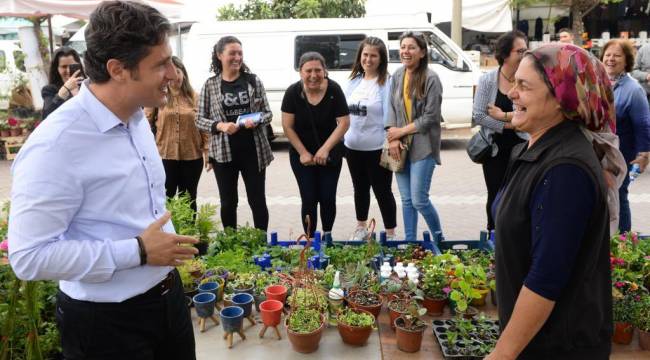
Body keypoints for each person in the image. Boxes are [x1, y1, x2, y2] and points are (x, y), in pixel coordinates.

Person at [8, 2, 198, 359]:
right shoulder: (56, 145)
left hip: (168, 299)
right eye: (161, 64)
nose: (174, 74)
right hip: (107, 325)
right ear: (118, 70)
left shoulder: (137, 118)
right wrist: (138, 251)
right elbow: (28, 256)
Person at [487, 43, 626, 359]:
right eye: (514, 82)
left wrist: (501, 354)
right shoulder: (534, 149)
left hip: (557, 346)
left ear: (561, 99)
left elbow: (546, 278)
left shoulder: (566, 170)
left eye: (524, 86)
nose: (511, 93)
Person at [195, 36, 273, 231]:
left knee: (257, 201)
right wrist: (220, 125)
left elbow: (268, 113)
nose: (237, 57)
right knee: (228, 202)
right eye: (232, 53)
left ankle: (261, 244)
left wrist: (255, 120)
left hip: (253, 152)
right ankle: (231, 242)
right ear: (220, 55)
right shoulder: (210, 85)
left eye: (240, 53)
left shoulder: (253, 81)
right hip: (223, 154)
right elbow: (198, 119)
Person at [281, 52, 350, 239]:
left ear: (325, 71)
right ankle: (310, 241)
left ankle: (327, 235)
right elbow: (287, 126)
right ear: (300, 72)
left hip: (330, 153)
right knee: (309, 198)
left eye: (318, 70)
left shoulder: (334, 90)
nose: (313, 75)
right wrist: (303, 152)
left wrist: (325, 149)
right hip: (301, 155)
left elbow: (344, 123)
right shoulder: (292, 93)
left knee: (328, 197)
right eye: (308, 71)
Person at [386, 31, 444, 241]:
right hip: (399, 147)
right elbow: (390, 108)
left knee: (419, 200)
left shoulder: (431, 78)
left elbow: (431, 117)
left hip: (423, 147)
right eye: (403, 47)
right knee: (407, 200)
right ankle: (410, 242)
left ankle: (439, 238)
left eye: (411, 47)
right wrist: (392, 138)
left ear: (422, 52)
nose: (405, 51)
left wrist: (400, 132)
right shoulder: (397, 75)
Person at [472, 30, 529, 231]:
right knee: (495, 194)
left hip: (523, 147)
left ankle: (516, 236)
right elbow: (478, 116)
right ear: (505, 54)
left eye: (526, 50)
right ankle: (494, 236)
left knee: (520, 195)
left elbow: (530, 115)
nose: (525, 55)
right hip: (494, 149)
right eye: (520, 51)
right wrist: (508, 124)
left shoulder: (528, 81)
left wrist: (501, 115)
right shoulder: (488, 80)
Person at [344, 37, 397, 241]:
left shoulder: (388, 83)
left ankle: (391, 233)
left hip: (379, 148)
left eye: (373, 55)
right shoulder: (352, 82)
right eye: (365, 54)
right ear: (360, 56)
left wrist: (392, 140)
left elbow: (393, 115)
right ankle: (361, 228)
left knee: (383, 191)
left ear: (381, 59)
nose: (368, 59)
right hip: (352, 147)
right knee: (360, 189)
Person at [145, 56, 209, 213]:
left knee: (188, 198)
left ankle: (188, 235)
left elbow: (204, 126)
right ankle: (168, 233)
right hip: (166, 156)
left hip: (192, 157)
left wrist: (207, 150)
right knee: (166, 197)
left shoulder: (195, 97)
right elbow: (146, 123)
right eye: (173, 72)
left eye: (179, 71)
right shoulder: (158, 96)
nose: (176, 76)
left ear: (183, 73)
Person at [601, 39, 650, 232]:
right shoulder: (596, 82)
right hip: (598, 152)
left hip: (621, 155)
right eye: (608, 54)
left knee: (619, 196)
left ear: (627, 60)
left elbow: (643, 124)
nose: (611, 59)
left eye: (617, 55)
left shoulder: (633, 89)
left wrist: (643, 155)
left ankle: (623, 242)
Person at [41, 46, 84, 119]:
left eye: (72, 66)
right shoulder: (49, 90)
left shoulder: (88, 85)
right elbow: (47, 116)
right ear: (56, 69)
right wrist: (65, 90)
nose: (68, 71)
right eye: (64, 67)